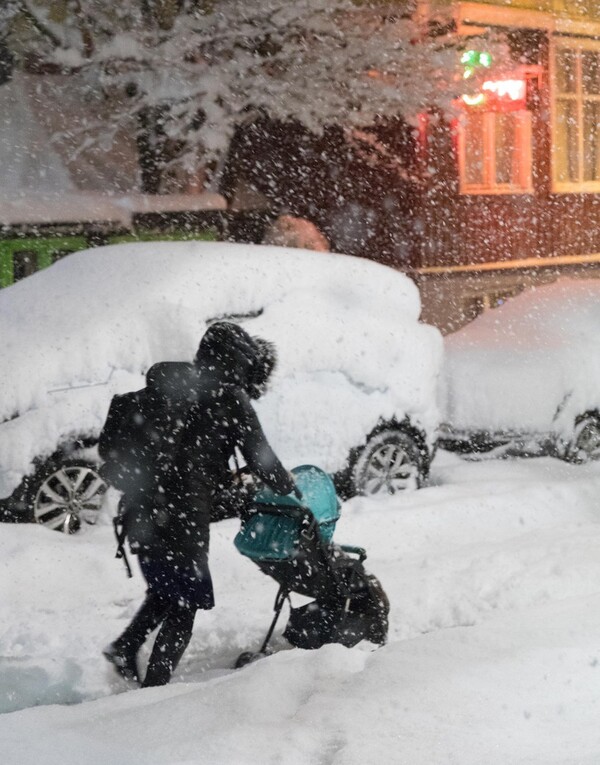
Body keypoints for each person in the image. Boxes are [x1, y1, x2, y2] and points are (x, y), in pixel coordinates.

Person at [103, 322, 296, 687]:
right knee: (184, 605)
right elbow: (262, 459)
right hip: (182, 517)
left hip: (140, 512)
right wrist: (291, 488)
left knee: (165, 589)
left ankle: (125, 647)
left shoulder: (167, 387)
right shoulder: (229, 397)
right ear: (236, 362)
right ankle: (152, 693)